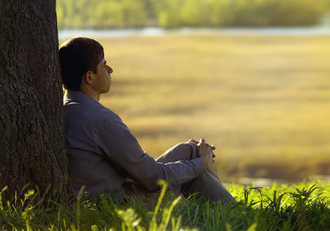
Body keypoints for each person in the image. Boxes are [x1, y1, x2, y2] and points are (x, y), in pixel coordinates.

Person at [59, 37, 234, 203]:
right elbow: (153, 178)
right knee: (195, 157)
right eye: (104, 65)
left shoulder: (64, 109)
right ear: (89, 77)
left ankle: (230, 212)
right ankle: (236, 215)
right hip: (123, 203)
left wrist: (192, 158)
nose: (110, 70)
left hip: (102, 197)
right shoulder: (99, 119)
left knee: (189, 151)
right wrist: (201, 163)